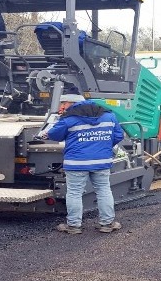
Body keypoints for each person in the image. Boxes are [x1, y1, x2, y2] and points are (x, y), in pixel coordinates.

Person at [42, 94, 123, 234]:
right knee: (103, 191)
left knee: (74, 193)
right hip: (101, 162)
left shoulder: (69, 119)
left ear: (73, 103)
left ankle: (73, 226)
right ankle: (107, 224)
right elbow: (118, 136)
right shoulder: (109, 116)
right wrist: (102, 146)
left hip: (76, 163)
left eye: (64, 103)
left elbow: (54, 135)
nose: (62, 107)